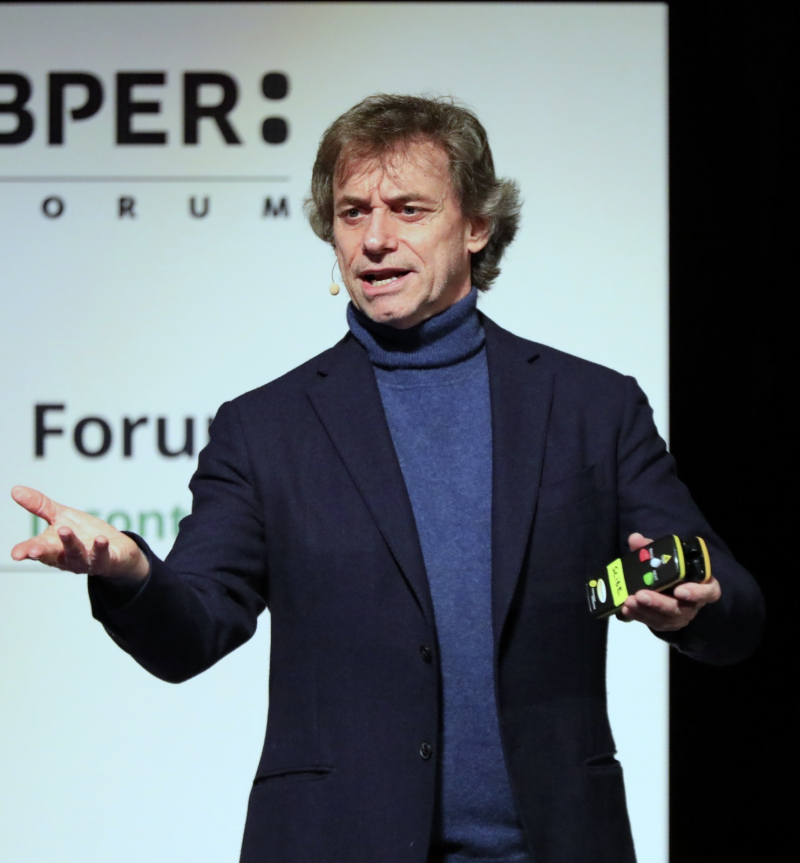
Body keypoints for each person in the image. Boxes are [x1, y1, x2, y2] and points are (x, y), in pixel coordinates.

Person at [9, 95, 763, 863]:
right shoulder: (265, 428)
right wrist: (131, 573)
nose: (374, 239)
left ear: (476, 224)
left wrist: (693, 607)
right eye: (351, 212)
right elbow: (190, 633)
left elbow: (736, 606)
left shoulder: (592, 407)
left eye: (408, 209)